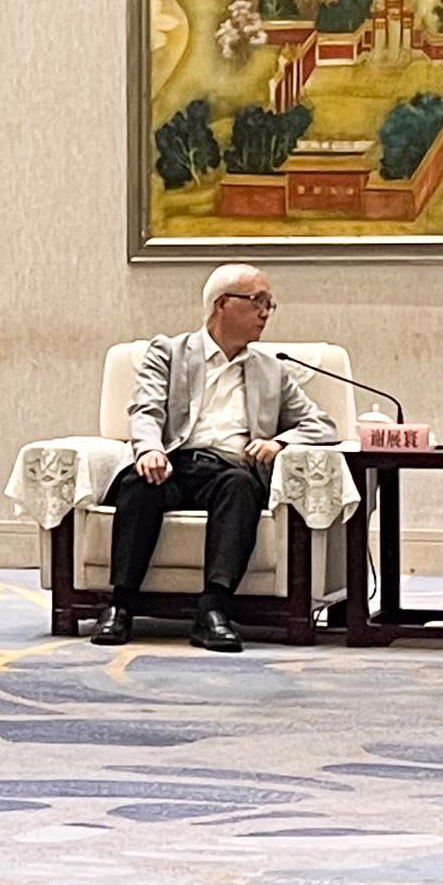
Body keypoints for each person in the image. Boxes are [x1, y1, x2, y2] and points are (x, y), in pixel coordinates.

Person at [91, 263, 338, 653]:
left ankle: (213, 612)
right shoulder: (168, 353)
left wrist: (281, 443)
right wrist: (151, 448)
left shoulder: (271, 370)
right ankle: (120, 605)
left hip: (228, 470)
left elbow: (323, 425)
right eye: (257, 301)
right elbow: (145, 409)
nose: (265, 313)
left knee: (240, 486)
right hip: (173, 461)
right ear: (222, 304)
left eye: (270, 304)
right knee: (140, 483)